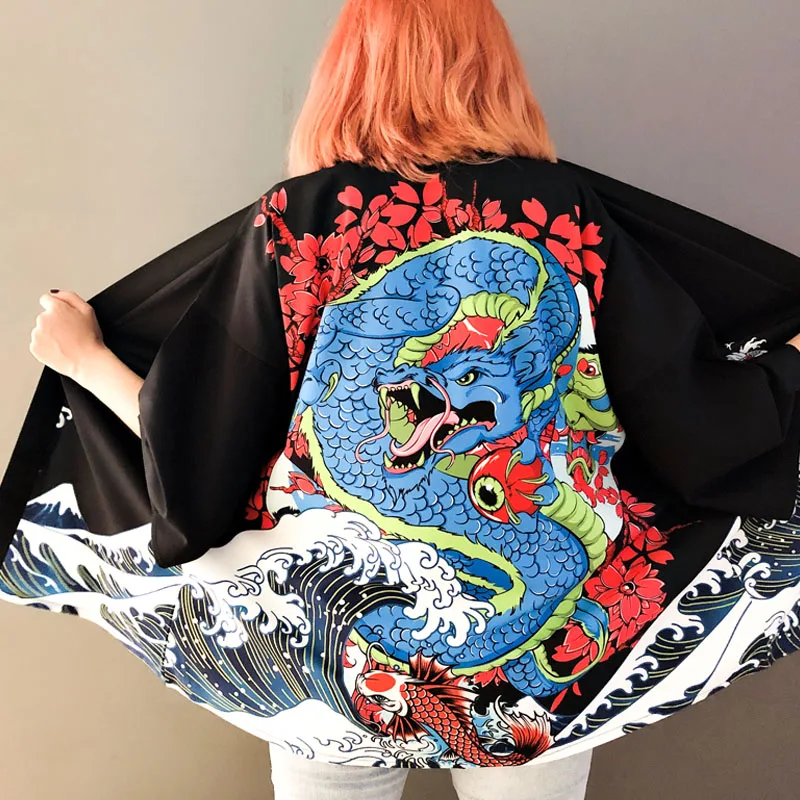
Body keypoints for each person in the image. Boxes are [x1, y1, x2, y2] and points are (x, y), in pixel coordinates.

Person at [25, 1, 800, 799]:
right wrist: (790, 365)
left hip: (330, 673)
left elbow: (196, 456)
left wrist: (87, 360)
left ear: (344, 75)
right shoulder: (566, 215)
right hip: (540, 694)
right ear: (497, 71)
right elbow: (694, 420)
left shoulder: (298, 223)